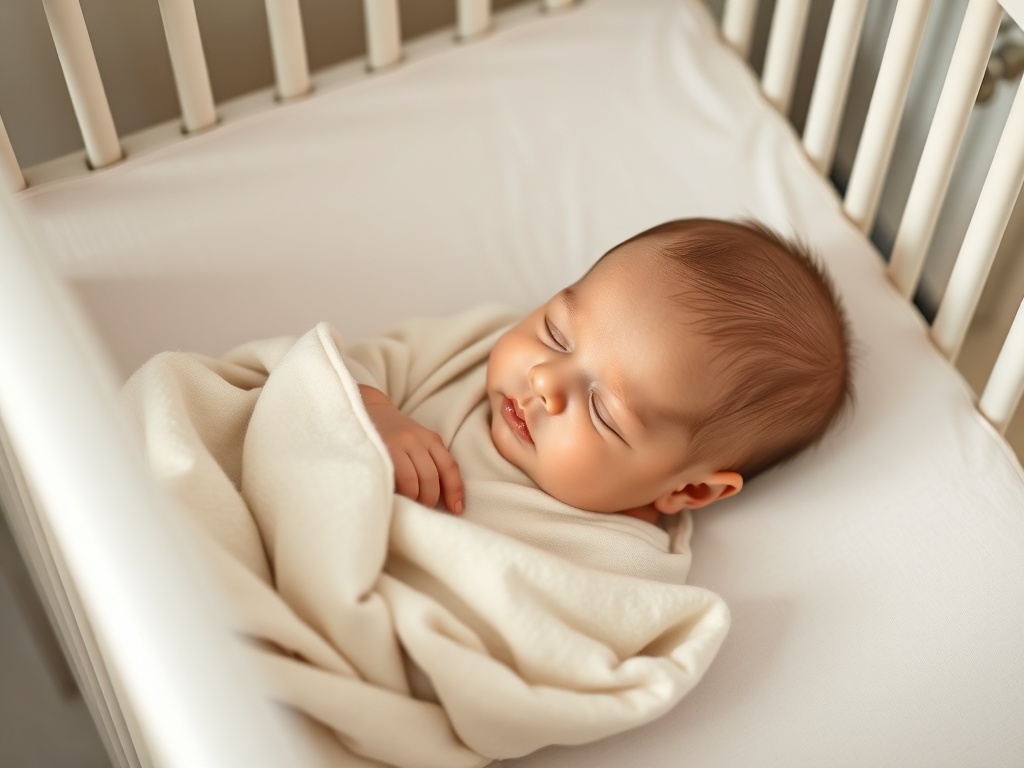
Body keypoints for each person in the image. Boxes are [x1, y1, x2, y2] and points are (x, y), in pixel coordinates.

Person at [346, 217, 852, 528]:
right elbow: (331, 362)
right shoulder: (471, 345)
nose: (545, 379)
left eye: (603, 411)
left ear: (688, 491)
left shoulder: (618, 565)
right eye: (556, 333)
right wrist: (370, 412)